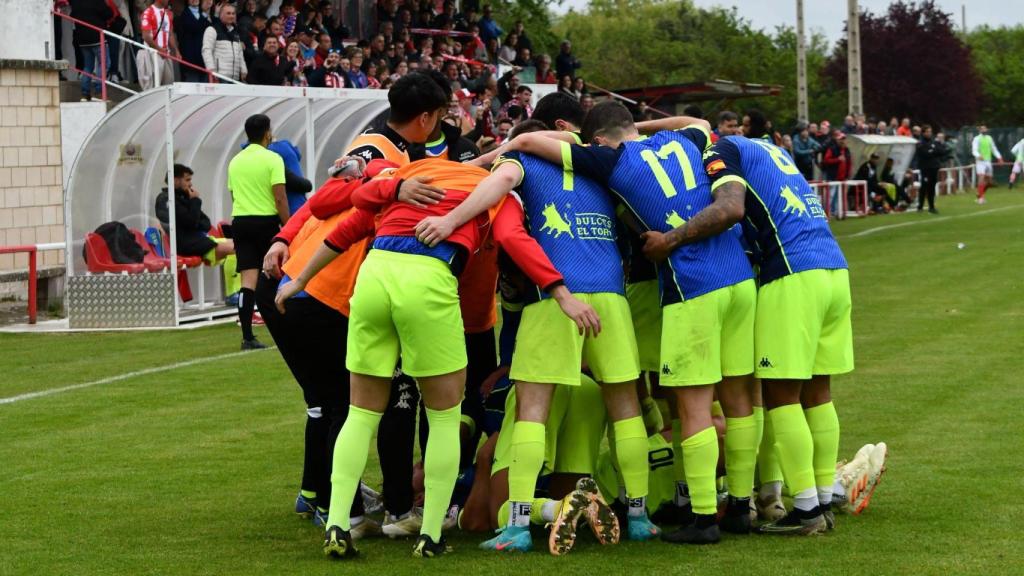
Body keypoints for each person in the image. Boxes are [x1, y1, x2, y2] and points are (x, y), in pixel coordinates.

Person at [509, 103, 758, 545]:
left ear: (598, 140)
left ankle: (702, 518)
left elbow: (528, 142)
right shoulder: (685, 140)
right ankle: (739, 504)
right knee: (737, 399)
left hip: (693, 283)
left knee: (691, 407)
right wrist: (638, 125)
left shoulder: (611, 159)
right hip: (740, 279)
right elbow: (697, 122)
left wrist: (476, 161)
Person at [654, 130, 852, 535]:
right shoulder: (773, 148)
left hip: (792, 274)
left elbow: (730, 208)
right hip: (833, 267)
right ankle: (824, 492)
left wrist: (672, 238)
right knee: (819, 392)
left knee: (781, 396)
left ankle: (807, 510)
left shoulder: (721, 149)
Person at [228, 114, 289, 350]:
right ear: (267, 133)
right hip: (265, 221)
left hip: (241, 222)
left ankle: (247, 337)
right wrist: (289, 227)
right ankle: (284, 327)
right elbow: (280, 197)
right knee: (276, 274)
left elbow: (234, 195)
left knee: (248, 281)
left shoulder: (235, 161)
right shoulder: (273, 158)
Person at [155, 163, 235, 261]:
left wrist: (195, 221)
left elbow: (206, 223)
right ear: (175, 181)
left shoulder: (184, 198)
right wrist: (195, 201)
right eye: (187, 180)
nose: (190, 184)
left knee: (241, 244)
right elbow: (191, 222)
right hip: (184, 245)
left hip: (197, 240)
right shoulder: (166, 199)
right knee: (237, 248)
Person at [69, 0, 112, 101]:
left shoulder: (75, 2)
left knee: (87, 66)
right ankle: (99, 92)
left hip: (82, 39)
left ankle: (85, 94)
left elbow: (72, 15)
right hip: (97, 36)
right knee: (104, 64)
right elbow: (108, 14)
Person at [139, 0, 179, 89]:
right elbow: (146, 36)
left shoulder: (168, 14)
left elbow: (170, 33)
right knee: (154, 85)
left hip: (166, 53)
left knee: (169, 84)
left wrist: (176, 50)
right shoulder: (148, 12)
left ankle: (166, 103)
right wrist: (159, 49)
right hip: (153, 54)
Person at [202, 2, 246, 82]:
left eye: (233, 13)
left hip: (235, 78)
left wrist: (244, 70)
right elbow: (206, 51)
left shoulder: (235, 32)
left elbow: (240, 53)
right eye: (228, 13)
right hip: (219, 77)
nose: (231, 16)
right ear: (221, 15)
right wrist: (211, 70)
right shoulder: (212, 30)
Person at [176, 0, 213, 82]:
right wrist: (204, 13)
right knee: (192, 89)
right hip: (191, 61)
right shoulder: (184, 14)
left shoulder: (203, 13)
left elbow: (210, 30)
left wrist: (214, 14)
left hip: (203, 59)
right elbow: (195, 27)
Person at [916, 125, 949, 214]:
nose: (929, 133)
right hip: (925, 168)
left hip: (934, 167)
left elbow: (942, 151)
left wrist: (933, 150)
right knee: (924, 186)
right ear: (923, 133)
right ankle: (920, 206)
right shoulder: (920, 143)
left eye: (930, 132)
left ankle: (931, 207)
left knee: (932, 187)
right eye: (927, 132)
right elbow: (925, 153)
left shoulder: (933, 142)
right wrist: (933, 151)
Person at [971, 125, 1002, 204]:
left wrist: (999, 157)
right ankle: (981, 198)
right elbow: (974, 150)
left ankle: (979, 194)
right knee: (981, 177)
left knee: (989, 181)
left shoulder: (989, 138)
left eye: (985, 128)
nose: (984, 130)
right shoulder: (977, 139)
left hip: (988, 161)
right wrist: (978, 155)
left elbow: (993, 148)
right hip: (980, 162)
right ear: (980, 130)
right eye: (982, 128)